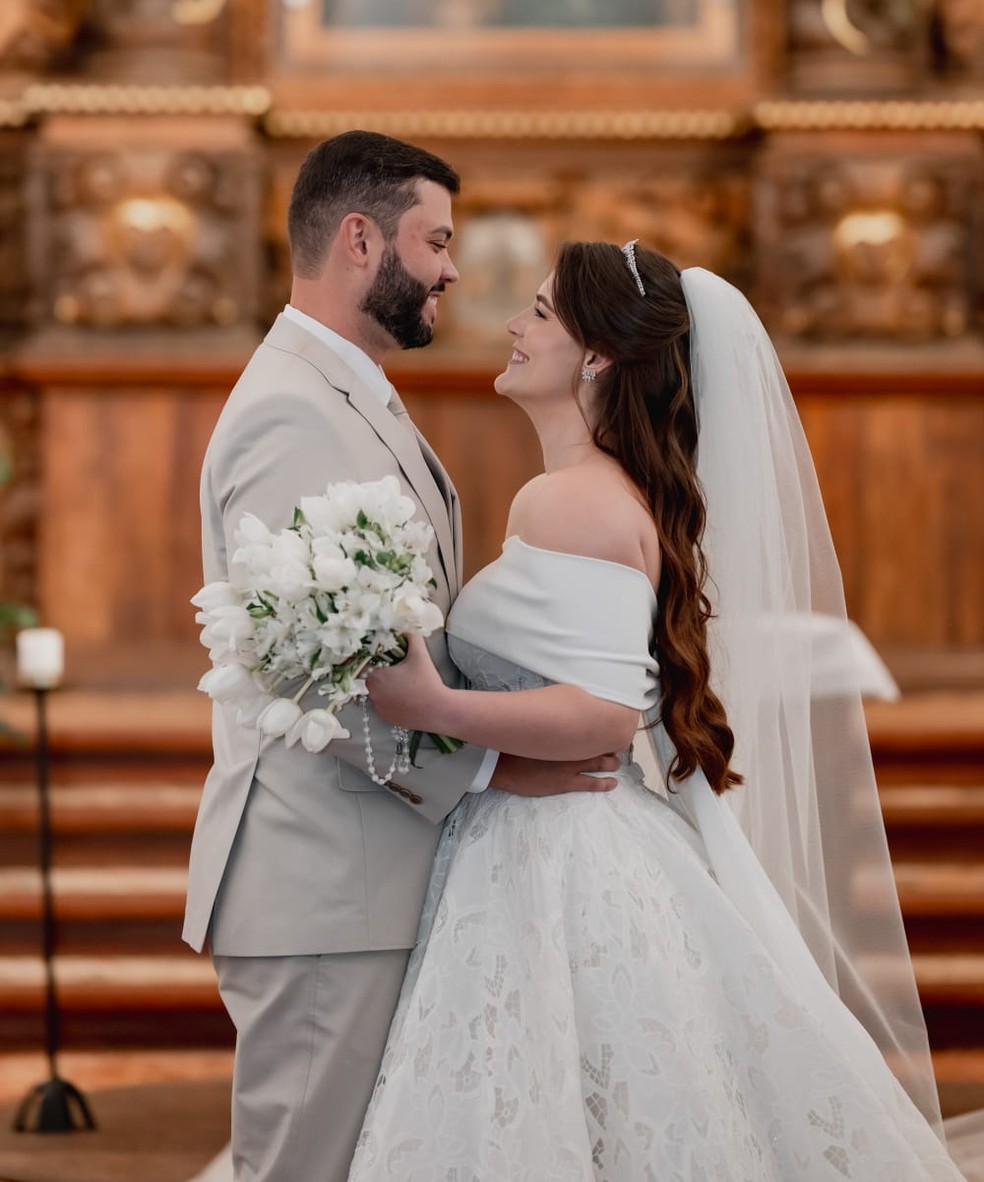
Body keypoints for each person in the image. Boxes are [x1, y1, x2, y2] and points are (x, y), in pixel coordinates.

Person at [350, 241, 968, 1178]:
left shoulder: (571, 503)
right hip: (553, 832)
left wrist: (433, 703)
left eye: (540, 313)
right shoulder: (590, 496)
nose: (513, 325)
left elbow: (602, 716)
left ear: (598, 356)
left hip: (556, 851)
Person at [182, 133, 617, 1182]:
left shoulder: (342, 390)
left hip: (367, 872)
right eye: (437, 241)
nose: (454, 270)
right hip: (326, 883)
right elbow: (308, 667)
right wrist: (490, 765)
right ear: (360, 239)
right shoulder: (291, 410)